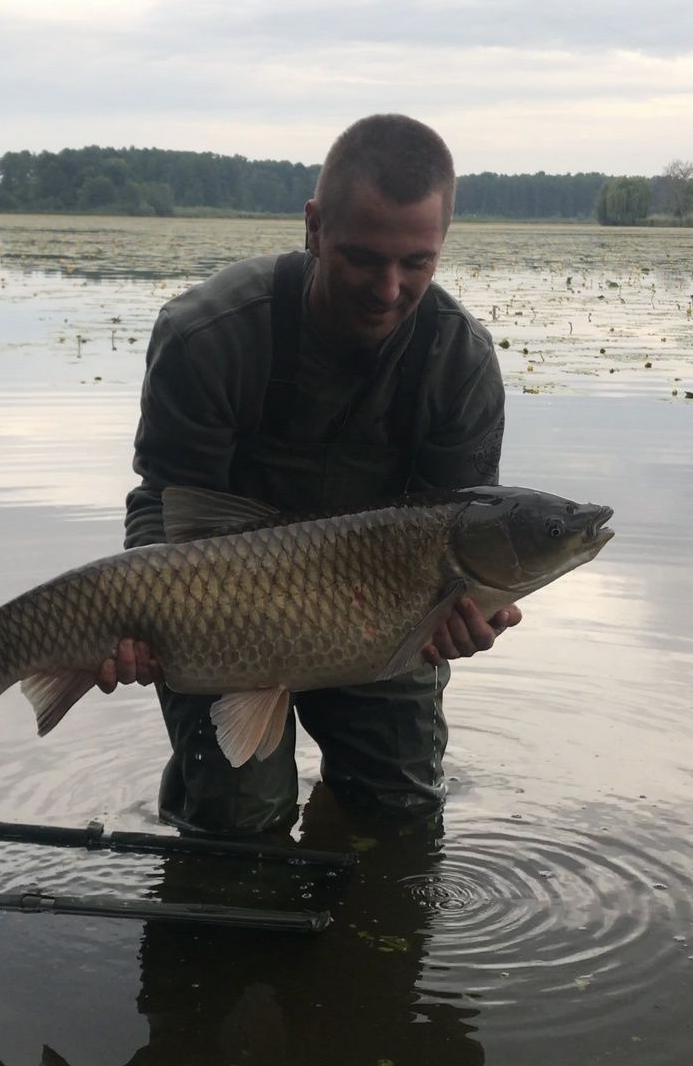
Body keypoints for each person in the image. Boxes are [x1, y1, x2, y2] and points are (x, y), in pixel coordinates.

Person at [100, 114, 515, 837]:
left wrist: (469, 620)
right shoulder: (207, 335)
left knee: (403, 805)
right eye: (363, 258)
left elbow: (461, 529)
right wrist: (139, 615)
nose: (389, 290)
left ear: (442, 246)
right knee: (239, 816)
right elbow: (167, 511)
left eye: (416, 263)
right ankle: (206, 830)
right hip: (219, 613)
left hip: (379, 620)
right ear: (315, 227)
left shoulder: (459, 360)